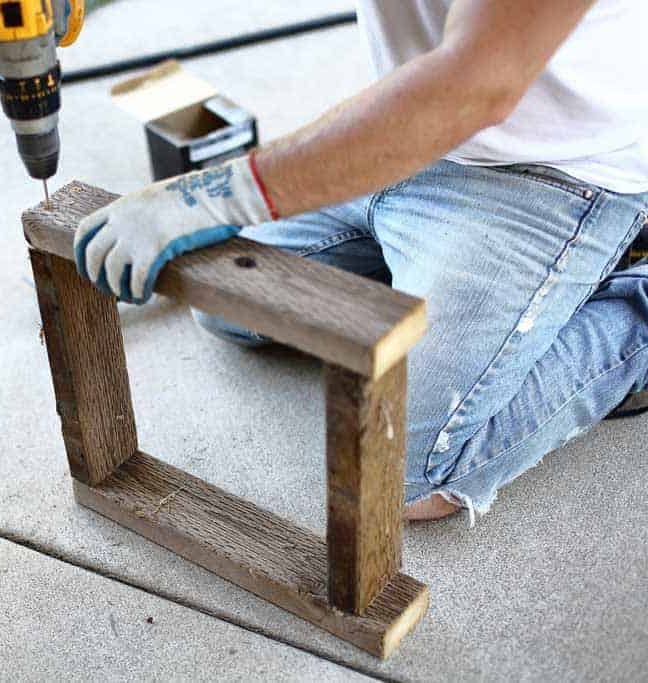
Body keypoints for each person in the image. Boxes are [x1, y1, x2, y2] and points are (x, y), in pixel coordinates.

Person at [73, 0, 648, 523]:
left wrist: (213, 194)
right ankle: (462, 279)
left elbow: (477, 85)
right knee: (228, 306)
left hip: (553, 171)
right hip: (405, 132)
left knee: (406, 479)